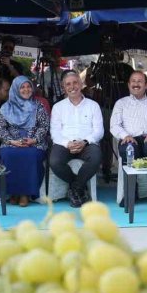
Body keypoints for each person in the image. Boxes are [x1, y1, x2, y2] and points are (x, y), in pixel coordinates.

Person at [110, 70, 147, 208]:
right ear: (129, 84)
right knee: (129, 148)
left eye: (139, 81)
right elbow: (114, 125)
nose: (136, 84)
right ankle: (131, 192)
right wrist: (126, 136)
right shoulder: (121, 103)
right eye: (133, 81)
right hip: (129, 138)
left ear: (146, 84)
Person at [50, 71, 104, 208]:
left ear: (81, 84)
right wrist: (67, 143)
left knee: (96, 157)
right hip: (64, 143)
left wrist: (85, 142)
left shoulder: (93, 105)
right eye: (68, 84)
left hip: (87, 143)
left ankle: (75, 189)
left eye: (75, 82)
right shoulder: (58, 107)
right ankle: (79, 187)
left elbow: (99, 131)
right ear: (64, 87)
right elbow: (54, 132)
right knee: (55, 162)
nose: (72, 86)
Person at [0, 76, 50, 207]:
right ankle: (13, 193)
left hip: (34, 142)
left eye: (28, 86)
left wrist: (34, 139)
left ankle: (25, 194)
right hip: (11, 142)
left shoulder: (38, 106)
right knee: (8, 154)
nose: (26, 89)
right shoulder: (5, 108)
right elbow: (1, 128)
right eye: (22, 87)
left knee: (31, 155)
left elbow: (44, 126)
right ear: (15, 89)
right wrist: (12, 141)